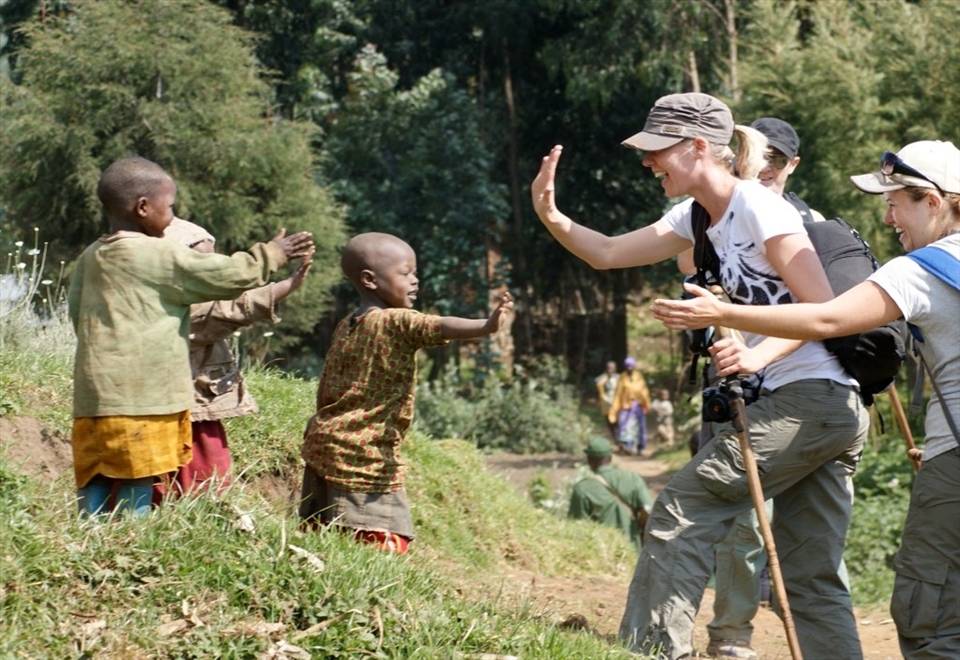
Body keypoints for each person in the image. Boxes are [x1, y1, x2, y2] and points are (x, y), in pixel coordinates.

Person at [531, 92, 869, 659]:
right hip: (818, 412)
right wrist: (552, 215)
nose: (647, 162)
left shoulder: (762, 208)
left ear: (697, 147)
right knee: (811, 573)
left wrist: (751, 348)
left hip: (812, 398)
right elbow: (610, 253)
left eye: (657, 151)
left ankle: (651, 652)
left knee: (680, 510)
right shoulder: (694, 217)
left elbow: (823, 310)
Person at [652, 139, 960, 660]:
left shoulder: (923, 268)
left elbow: (825, 317)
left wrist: (724, 316)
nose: (887, 218)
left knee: (931, 614)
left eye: (895, 202)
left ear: (933, 201)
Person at [68, 156, 314, 517]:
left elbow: (77, 314)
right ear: (143, 208)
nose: (171, 216)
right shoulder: (159, 254)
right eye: (169, 208)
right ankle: (131, 541)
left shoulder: (90, 257)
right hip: (145, 399)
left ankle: (87, 532)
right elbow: (225, 275)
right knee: (141, 474)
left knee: (96, 475)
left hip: (92, 399)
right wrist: (272, 254)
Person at [697, 116, 827, 660]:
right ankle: (732, 633)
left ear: (792, 165)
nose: (766, 164)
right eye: (759, 154)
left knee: (813, 522)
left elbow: (824, 305)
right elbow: (689, 266)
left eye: (778, 158)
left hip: (802, 378)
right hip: (736, 376)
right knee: (742, 516)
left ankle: (806, 623)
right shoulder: (714, 210)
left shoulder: (811, 223)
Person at [299, 232, 514, 554]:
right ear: (370, 280)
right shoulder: (395, 321)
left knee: (323, 539)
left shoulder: (348, 324)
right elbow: (439, 325)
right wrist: (486, 325)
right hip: (364, 457)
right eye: (405, 273)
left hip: (324, 442)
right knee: (376, 546)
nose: (415, 281)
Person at [158, 217, 312, 498]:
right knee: (200, 481)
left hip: (194, 409)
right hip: (184, 413)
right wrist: (286, 285)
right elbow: (228, 310)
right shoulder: (175, 312)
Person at [567, 436, 653, 552]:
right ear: (610, 458)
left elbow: (577, 528)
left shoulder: (582, 489)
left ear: (589, 460)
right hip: (633, 551)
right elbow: (650, 514)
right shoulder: (633, 479)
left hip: (602, 555)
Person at [608, 356, 651, 455]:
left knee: (639, 427)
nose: (629, 368)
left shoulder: (639, 377)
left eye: (631, 366)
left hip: (638, 407)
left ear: (634, 367)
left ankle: (640, 447)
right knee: (626, 426)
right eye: (627, 366)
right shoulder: (622, 378)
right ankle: (628, 447)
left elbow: (644, 391)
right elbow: (618, 394)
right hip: (626, 406)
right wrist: (614, 408)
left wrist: (646, 404)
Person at [595, 360, 620, 440]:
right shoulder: (600, 380)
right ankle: (616, 440)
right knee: (610, 424)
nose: (610, 370)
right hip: (606, 405)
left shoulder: (619, 378)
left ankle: (621, 440)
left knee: (619, 423)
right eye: (608, 368)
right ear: (605, 369)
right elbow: (597, 391)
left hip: (617, 405)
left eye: (612, 368)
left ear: (615, 369)